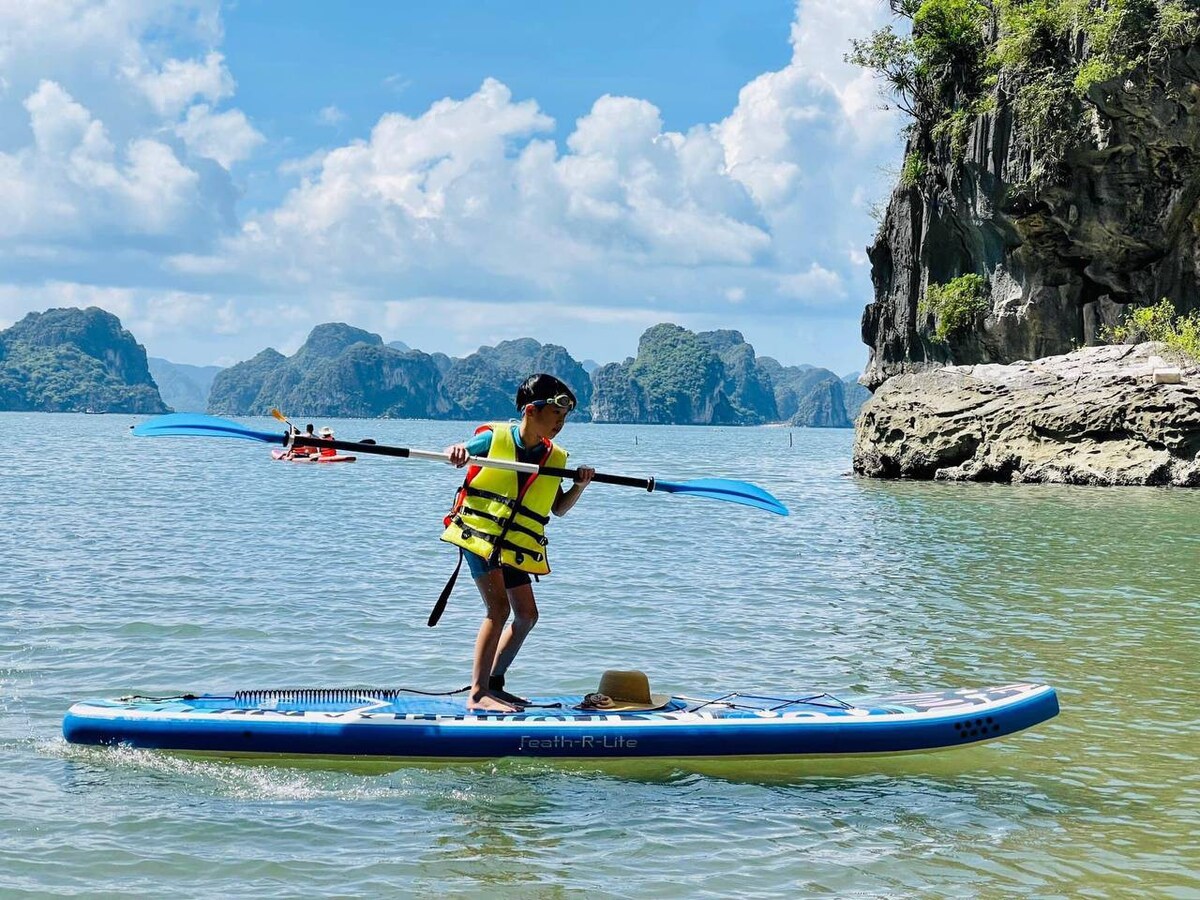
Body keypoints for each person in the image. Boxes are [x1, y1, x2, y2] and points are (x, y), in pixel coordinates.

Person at [442, 373, 594, 712]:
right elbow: (461, 451)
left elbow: (558, 508)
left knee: (527, 615)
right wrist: (457, 452)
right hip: (480, 536)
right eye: (556, 414)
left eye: (565, 417)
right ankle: (477, 694)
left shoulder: (553, 457)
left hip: (512, 544)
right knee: (498, 609)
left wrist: (580, 486)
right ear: (530, 410)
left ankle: (494, 684)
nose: (561, 423)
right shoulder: (495, 439)